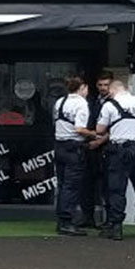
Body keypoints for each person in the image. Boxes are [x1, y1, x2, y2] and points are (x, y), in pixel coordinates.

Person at [95, 80, 135, 241]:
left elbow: (100, 129)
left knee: (117, 189)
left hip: (120, 151)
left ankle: (116, 227)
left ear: (113, 91)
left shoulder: (109, 105)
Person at [52, 75, 96, 236]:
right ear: (82, 88)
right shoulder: (81, 104)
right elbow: (79, 129)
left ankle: (61, 220)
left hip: (59, 146)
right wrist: (94, 134)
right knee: (71, 186)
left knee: (63, 184)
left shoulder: (60, 102)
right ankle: (67, 221)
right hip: (74, 147)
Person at [81, 70, 114, 228]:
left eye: (106, 85)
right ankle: (88, 217)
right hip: (91, 148)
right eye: (100, 85)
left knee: (108, 185)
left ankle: (109, 219)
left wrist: (100, 142)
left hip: (107, 148)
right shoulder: (93, 101)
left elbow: (117, 127)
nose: (103, 88)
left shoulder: (116, 102)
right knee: (88, 183)